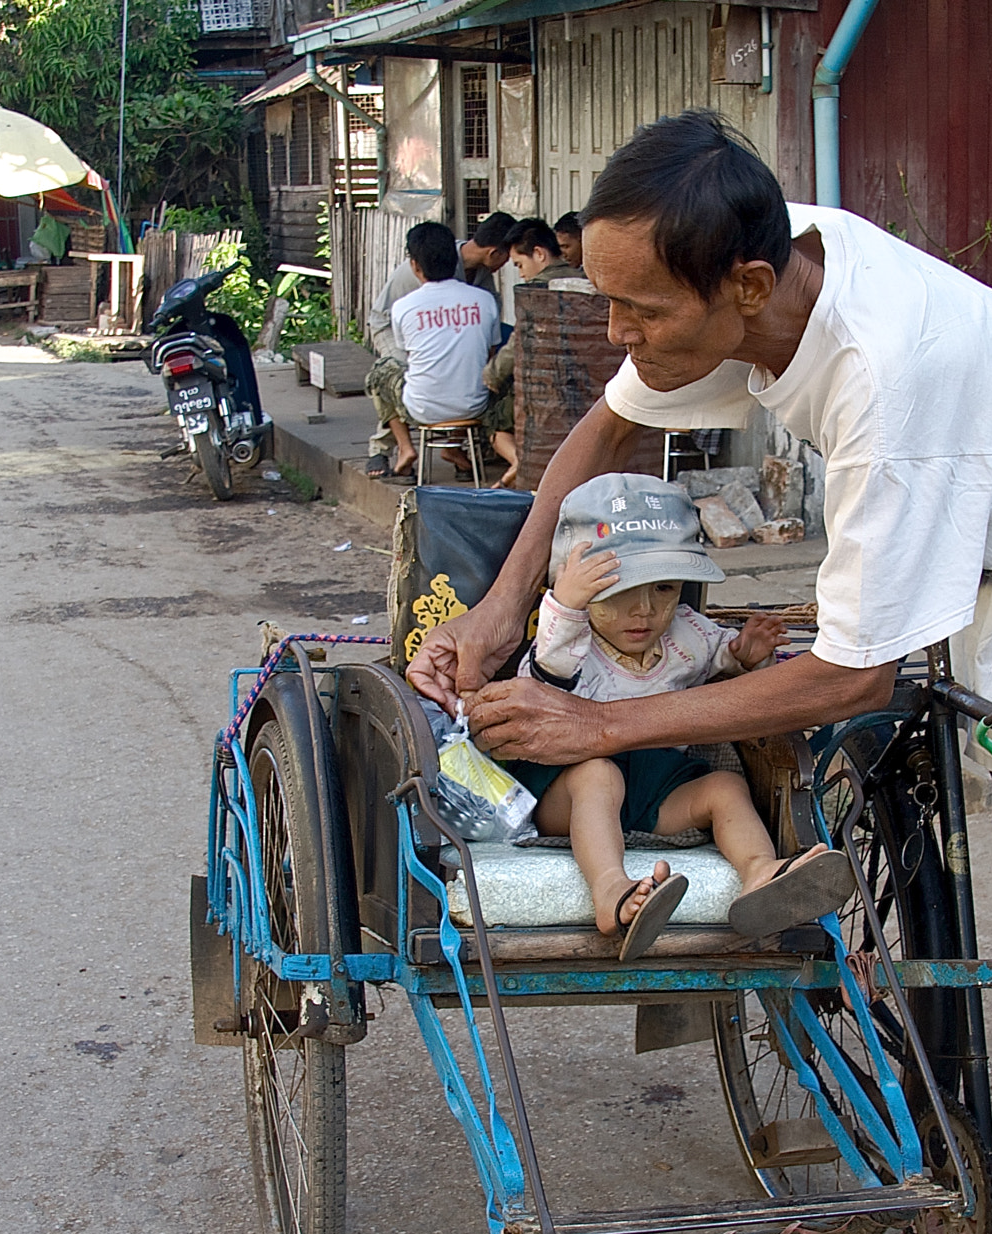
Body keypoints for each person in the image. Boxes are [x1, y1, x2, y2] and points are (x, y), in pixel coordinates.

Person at [407, 111, 992, 1234]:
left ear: (748, 290)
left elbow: (852, 676)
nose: (619, 336)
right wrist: (501, 604)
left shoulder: (891, 374)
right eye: (603, 301)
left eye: (636, 310)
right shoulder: (743, 289)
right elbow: (598, 436)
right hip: (986, 618)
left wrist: (598, 730)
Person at [516, 473, 851, 959]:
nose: (644, 611)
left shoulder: (686, 632)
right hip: (566, 792)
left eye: (665, 589)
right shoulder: (570, 642)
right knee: (598, 774)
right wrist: (566, 603)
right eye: (616, 593)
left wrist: (746, 653)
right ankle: (611, 890)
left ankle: (760, 873)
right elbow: (548, 666)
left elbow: (721, 657)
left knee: (724, 787)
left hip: (657, 790)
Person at [365, 211, 516, 478]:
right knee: (396, 367)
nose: (512, 262)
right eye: (509, 256)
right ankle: (385, 447)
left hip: (421, 337)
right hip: (389, 324)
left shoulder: (479, 275)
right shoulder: (425, 272)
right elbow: (413, 353)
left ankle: (452, 446)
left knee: (389, 377)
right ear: (494, 253)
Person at [478, 219, 588, 487]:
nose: (521, 274)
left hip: (546, 388)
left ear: (539, 254)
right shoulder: (586, 279)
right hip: (588, 385)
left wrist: (490, 376)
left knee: (492, 417)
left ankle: (520, 462)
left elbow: (518, 343)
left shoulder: (537, 292)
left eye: (519, 264)